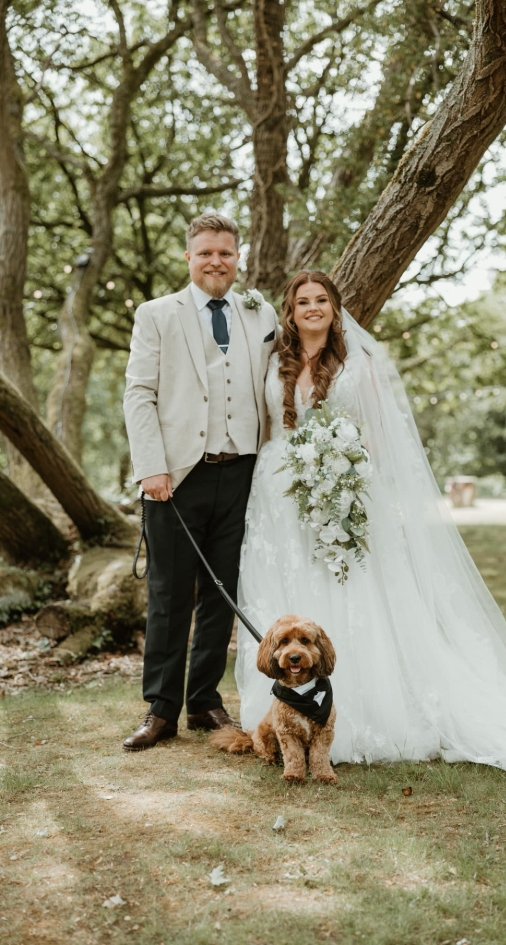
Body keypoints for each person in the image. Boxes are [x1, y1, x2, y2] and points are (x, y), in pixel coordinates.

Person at [236, 270, 506, 791]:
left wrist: (347, 483)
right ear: (289, 311)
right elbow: (264, 428)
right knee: (288, 593)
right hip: (279, 501)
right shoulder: (274, 361)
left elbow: (378, 436)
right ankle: (285, 717)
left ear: (335, 307)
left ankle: (356, 716)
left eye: (322, 300)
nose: (312, 308)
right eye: (303, 301)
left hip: (343, 492)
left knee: (351, 593)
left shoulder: (360, 362)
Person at [122, 212, 277, 750]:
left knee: (222, 592)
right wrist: (151, 467)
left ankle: (204, 702)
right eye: (206, 252)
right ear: (188, 257)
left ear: (239, 258)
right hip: (177, 476)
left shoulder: (260, 314)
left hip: (242, 475)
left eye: (226, 253)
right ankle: (160, 709)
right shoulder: (156, 314)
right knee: (168, 595)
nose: (216, 261)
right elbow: (139, 392)